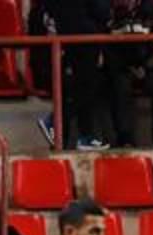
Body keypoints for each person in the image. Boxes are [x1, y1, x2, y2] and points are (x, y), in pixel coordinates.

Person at [105, 0, 153, 147]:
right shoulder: (112, 17)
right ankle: (125, 138)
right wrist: (124, 66)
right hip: (124, 69)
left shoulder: (151, 14)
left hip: (148, 67)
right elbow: (109, 49)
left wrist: (146, 67)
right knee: (119, 87)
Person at [37, 1, 112, 150]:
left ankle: (86, 136)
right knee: (87, 86)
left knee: (83, 85)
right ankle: (54, 121)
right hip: (84, 37)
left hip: (68, 35)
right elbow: (101, 10)